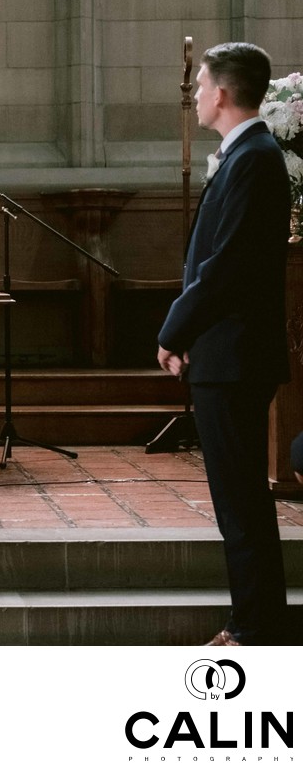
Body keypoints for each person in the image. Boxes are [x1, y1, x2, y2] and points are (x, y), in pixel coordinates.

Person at [157, 42, 292, 646]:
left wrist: (174, 330)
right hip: (223, 352)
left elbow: (226, 268)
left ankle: (254, 628)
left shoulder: (256, 158)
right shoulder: (244, 156)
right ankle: (255, 620)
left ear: (223, 92)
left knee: (241, 504)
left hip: (234, 356)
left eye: (202, 83)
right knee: (238, 502)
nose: (196, 95)